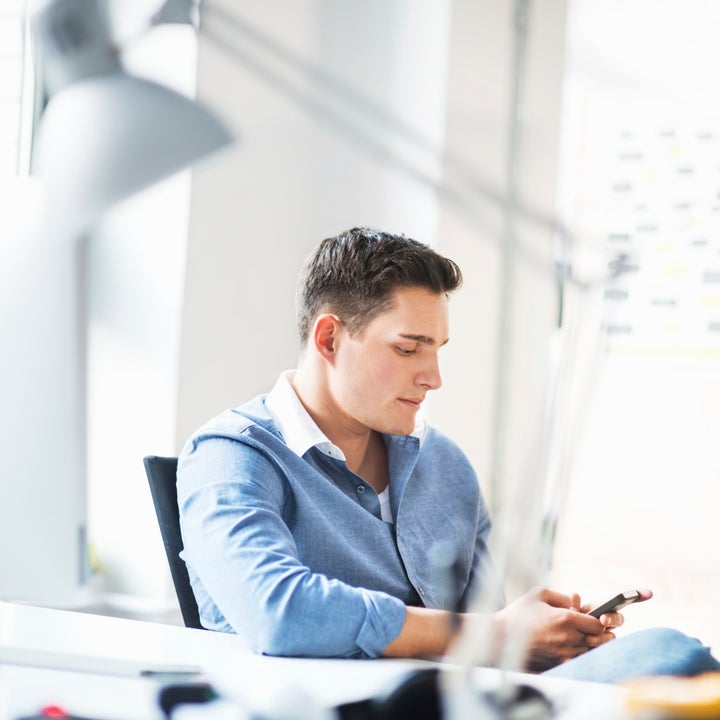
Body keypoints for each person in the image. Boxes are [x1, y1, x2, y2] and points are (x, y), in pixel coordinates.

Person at [177, 227, 719, 682]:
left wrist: (536, 639)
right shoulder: (231, 456)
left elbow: (491, 640)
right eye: (408, 348)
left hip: (465, 700)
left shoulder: (444, 465)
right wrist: (492, 634)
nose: (433, 378)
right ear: (328, 340)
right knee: (676, 658)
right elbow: (280, 613)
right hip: (334, 706)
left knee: (680, 666)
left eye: (436, 351)